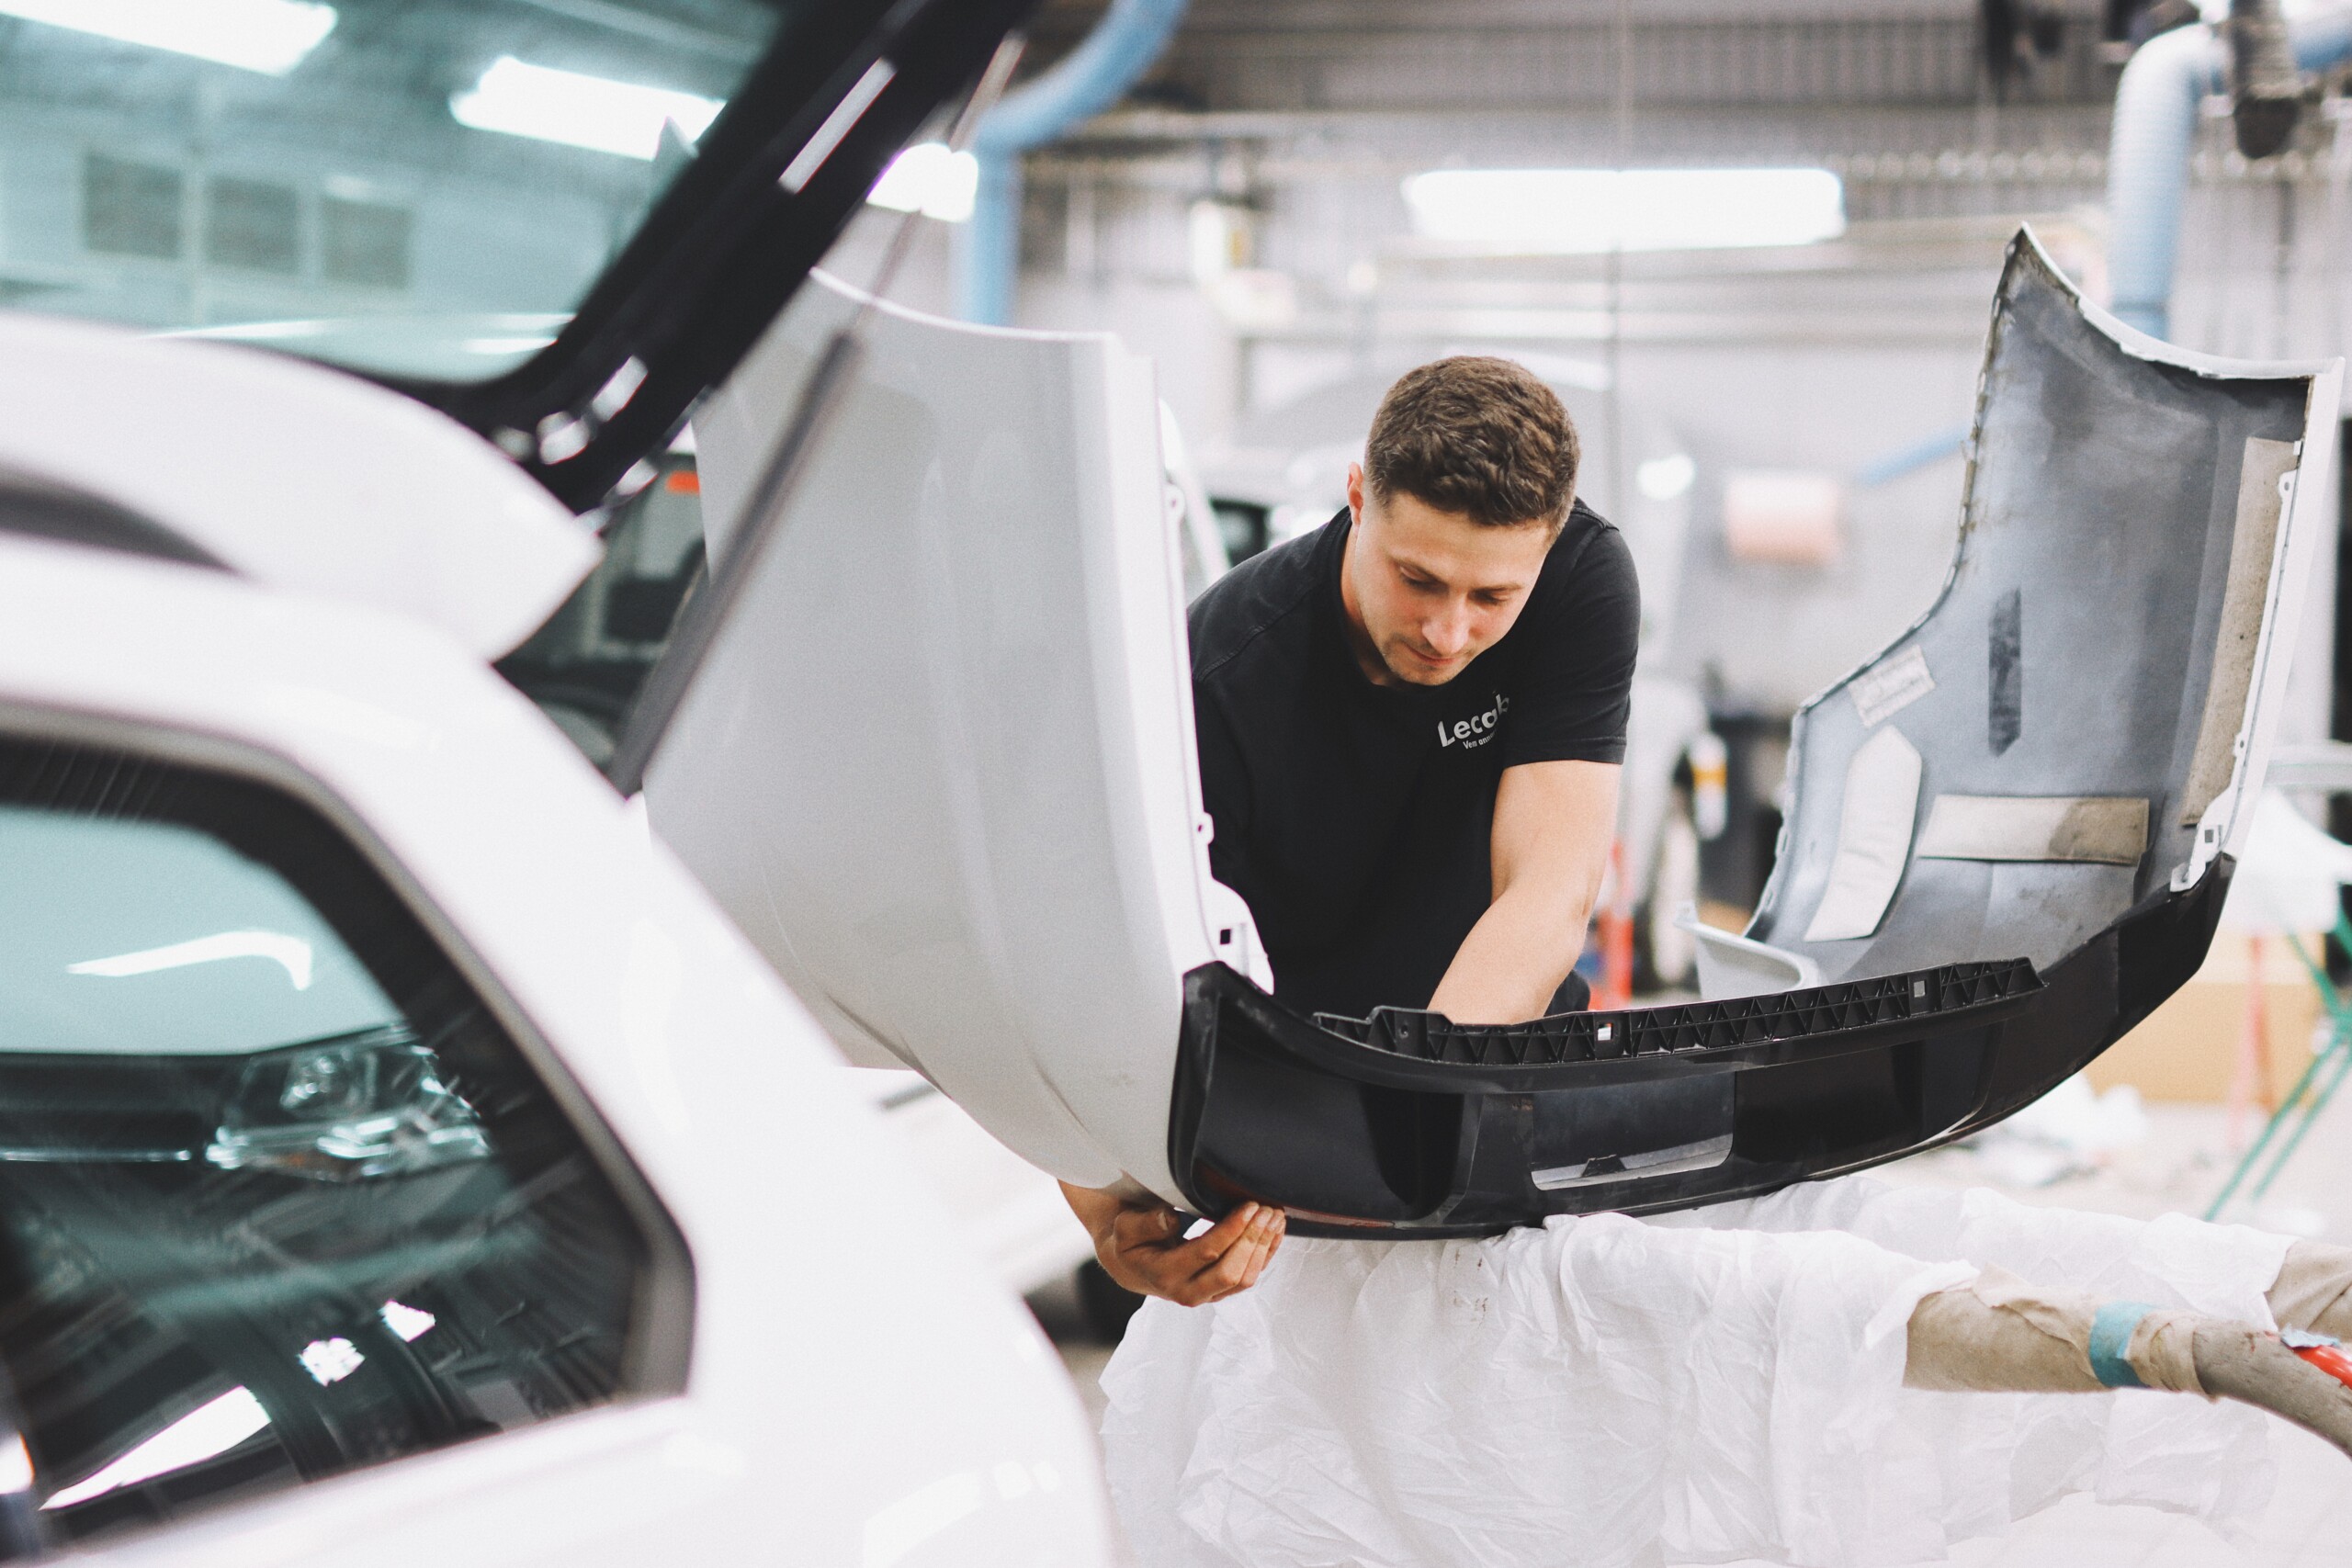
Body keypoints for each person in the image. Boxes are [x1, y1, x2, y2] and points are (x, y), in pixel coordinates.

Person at [1058, 354, 1639, 1303]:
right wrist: (1107, 1216)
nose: (1449, 632)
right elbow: (1098, 962)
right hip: (1295, 1159)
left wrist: (1416, 1119)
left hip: (1484, 1090)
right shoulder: (1213, 683)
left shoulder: (1580, 577)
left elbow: (1548, 886)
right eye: (1418, 579)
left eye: (1492, 598)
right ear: (1359, 498)